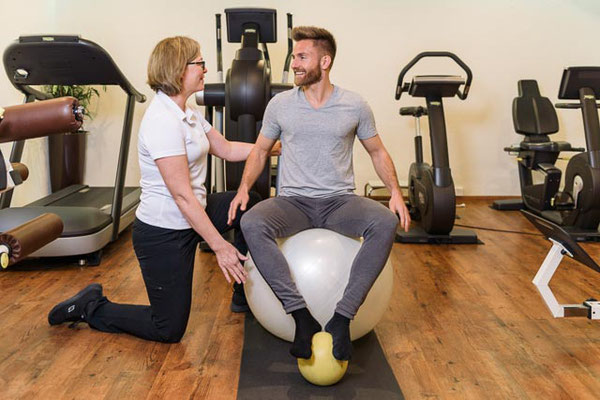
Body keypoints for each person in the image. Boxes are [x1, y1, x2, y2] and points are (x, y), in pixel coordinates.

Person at [47, 36, 266, 342]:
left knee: (249, 203)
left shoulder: (188, 113)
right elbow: (182, 196)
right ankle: (91, 306)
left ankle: (242, 293)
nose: (205, 68)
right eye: (199, 62)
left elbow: (227, 149)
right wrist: (220, 246)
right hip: (164, 234)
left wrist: (270, 147)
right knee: (168, 328)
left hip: (194, 217)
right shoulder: (162, 121)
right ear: (178, 69)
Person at [228, 26, 411, 361]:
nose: (294, 63)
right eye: (294, 56)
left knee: (384, 223)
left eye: (302, 56)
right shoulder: (280, 104)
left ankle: (343, 318)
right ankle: (301, 316)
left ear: (324, 61)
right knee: (252, 222)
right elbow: (259, 151)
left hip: (340, 202)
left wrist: (395, 193)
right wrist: (242, 189)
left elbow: (377, 152)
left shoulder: (354, 105)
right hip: (292, 202)